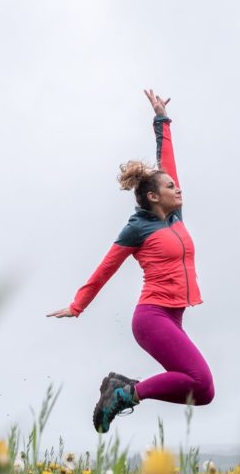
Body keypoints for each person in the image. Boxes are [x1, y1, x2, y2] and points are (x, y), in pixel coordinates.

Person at [48, 89, 215, 433]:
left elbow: (167, 160)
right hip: (152, 318)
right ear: (154, 196)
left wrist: (161, 120)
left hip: (173, 315)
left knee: (202, 393)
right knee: (200, 380)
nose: (178, 188)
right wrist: (78, 304)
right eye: (171, 186)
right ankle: (124, 394)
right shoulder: (137, 228)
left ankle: (123, 389)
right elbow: (106, 268)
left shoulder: (174, 215)